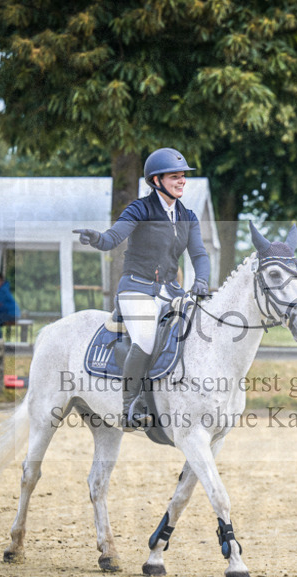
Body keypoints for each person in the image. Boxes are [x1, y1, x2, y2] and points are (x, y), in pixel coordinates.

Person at [73, 147, 211, 431]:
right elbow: (114, 238)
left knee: (196, 334)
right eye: (175, 176)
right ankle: (129, 408)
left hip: (172, 292)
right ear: (157, 180)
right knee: (146, 339)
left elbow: (199, 254)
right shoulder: (140, 208)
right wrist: (96, 238)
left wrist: (202, 280)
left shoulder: (189, 216)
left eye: (183, 176)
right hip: (137, 290)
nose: (182, 181)